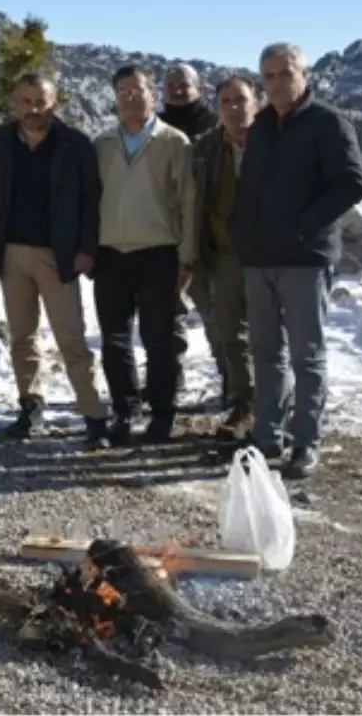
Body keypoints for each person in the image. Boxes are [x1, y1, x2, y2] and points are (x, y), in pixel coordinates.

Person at [229, 42, 362, 478]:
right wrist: (241, 230)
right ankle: (267, 435)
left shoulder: (329, 124)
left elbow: (352, 185)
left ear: (304, 74)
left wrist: (304, 226)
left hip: (305, 259)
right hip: (259, 258)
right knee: (267, 351)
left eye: (285, 73)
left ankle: (306, 442)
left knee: (307, 355)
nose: (277, 83)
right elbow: (250, 185)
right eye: (268, 76)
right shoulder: (262, 126)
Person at [0, 72, 110, 449]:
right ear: (15, 104)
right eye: (26, 101)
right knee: (22, 337)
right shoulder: (1, 144)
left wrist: (87, 249)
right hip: (11, 254)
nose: (33, 109)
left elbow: (91, 201)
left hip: (59, 254)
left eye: (41, 101)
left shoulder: (75, 145)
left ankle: (95, 416)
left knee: (71, 338)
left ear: (55, 104)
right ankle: (31, 408)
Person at [92, 66, 196, 445]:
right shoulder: (102, 143)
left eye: (137, 89)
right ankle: (125, 410)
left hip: (159, 254)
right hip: (111, 254)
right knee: (114, 339)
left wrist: (187, 256)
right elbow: (92, 200)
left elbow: (188, 201)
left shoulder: (174, 141)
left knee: (160, 339)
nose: (130, 96)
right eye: (122, 90)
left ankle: (162, 412)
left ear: (153, 94)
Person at [192, 74, 259, 441]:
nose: (234, 108)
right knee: (231, 335)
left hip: (270, 255)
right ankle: (243, 404)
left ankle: (278, 406)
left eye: (241, 99)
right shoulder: (205, 148)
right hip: (225, 255)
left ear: (255, 103)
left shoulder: (274, 142)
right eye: (226, 102)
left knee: (271, 335)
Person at [158, 63, 221, 403]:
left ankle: (232, 381)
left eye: (184, 85)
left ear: (199, 88)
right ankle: (170, 378)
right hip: (167, 234)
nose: (178, 91)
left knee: (218, 314)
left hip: (211, 236)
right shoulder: (155, 128)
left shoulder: (215, 125)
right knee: (167, 313)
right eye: (171, 86)